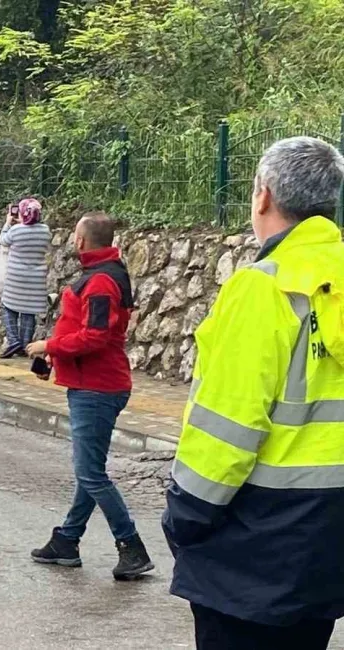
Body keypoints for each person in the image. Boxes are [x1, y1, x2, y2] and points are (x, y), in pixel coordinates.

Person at [163, 136, 344, 649]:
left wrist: (185, 515)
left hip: (254, 543)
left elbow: (227, 428)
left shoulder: (263, 288)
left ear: (262, 195)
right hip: (328, 540)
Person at [25, 212, 154, 580]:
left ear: (81, 241)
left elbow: (95, 337)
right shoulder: (107, 273)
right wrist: (57, 352)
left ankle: (132, 547)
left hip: (97, 387)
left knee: (90, 473)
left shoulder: (100, 282)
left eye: (74, 235)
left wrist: (49, 344)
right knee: (90, 471)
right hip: (94, 383)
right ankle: (67, 540)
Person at [0, 198, 52, 359]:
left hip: (16, 277)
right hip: (36, 278)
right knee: (29, 312)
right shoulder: (45, 230)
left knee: (8, 307)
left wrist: (8, 223)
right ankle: (25, 344)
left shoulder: (15, 230)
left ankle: (14, 341)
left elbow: (3, 240)